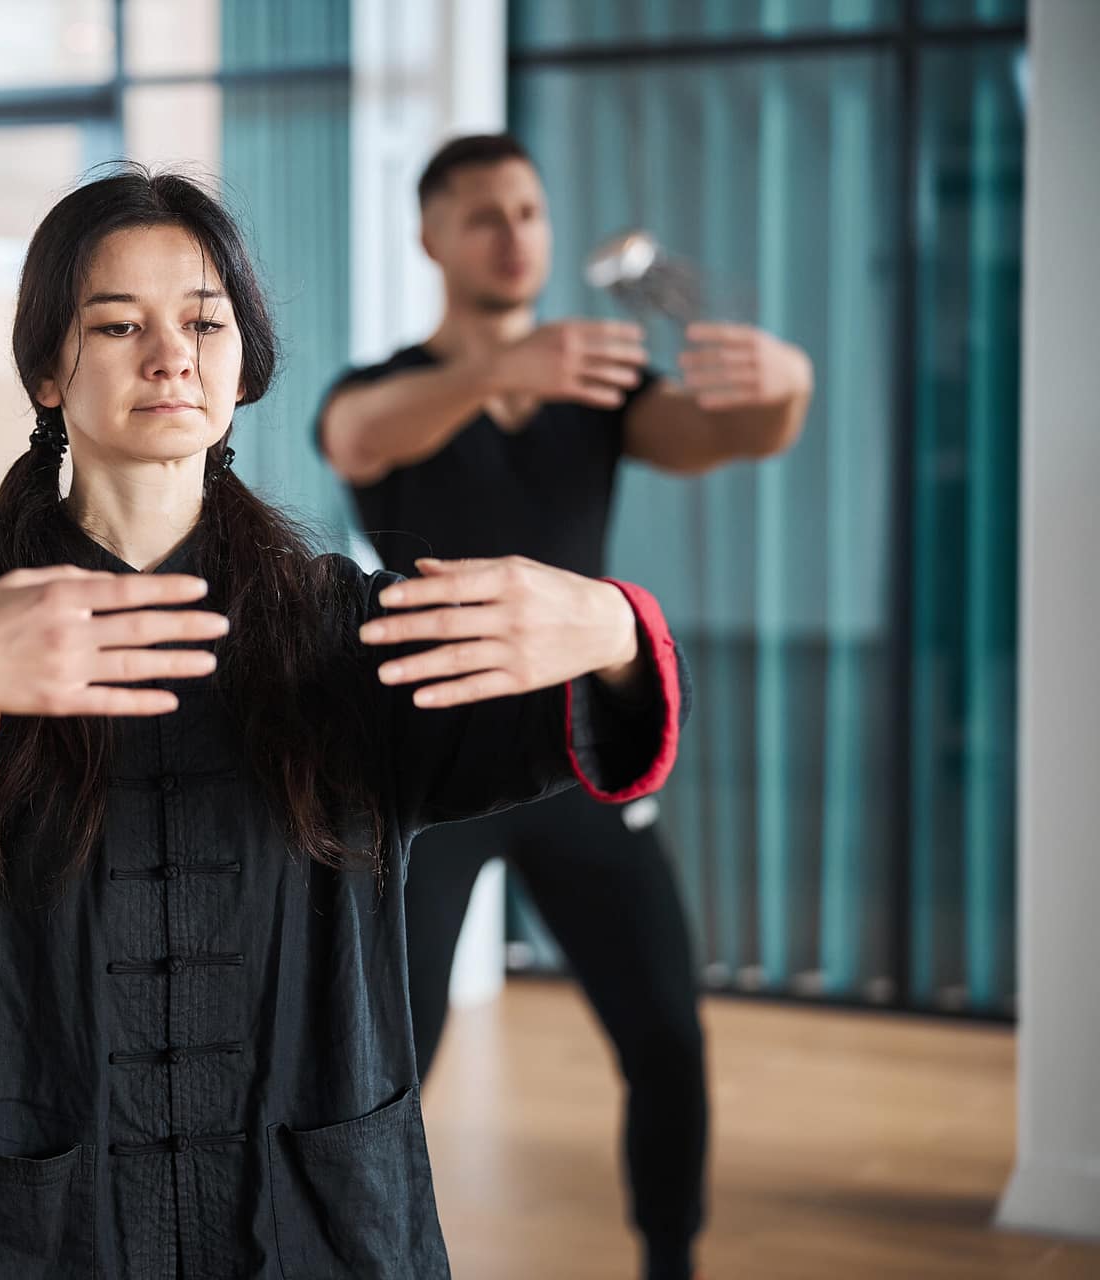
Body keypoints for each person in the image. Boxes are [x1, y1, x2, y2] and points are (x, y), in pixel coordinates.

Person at [0, 165, 690, 1278]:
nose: (170, 353)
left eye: (203, 319)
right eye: (117, 324)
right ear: (49, 371)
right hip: (40, 1228)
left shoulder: (345, 627)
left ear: (241, 361)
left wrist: (620, 633)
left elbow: (559, 729)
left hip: (313, 1218)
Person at [318, 133, 815, 1280]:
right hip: (428, 772)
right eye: (484, 213)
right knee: (390, 1056)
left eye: (530, 211)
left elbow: (728, 431)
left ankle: (671, 1257)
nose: (514, 234)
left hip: (582, 759)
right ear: (431, 238)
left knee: (667, 1041)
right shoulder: (385, 386)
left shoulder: (595, 386)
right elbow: (357, 438)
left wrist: (787, 387)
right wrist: (499, 373)